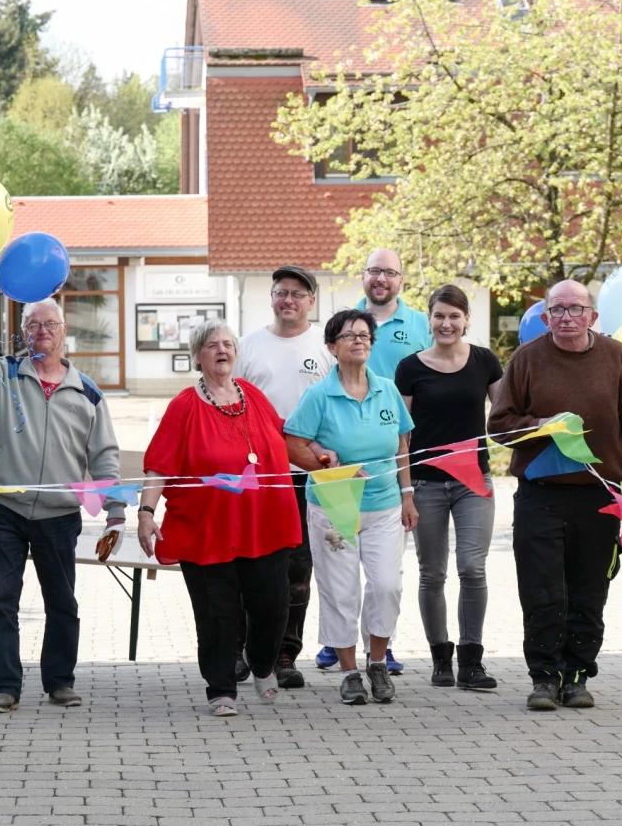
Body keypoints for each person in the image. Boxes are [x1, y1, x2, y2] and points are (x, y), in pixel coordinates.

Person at [489, 280, 622, 711]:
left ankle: (578, 676)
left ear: (592, 316)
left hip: (599, 496)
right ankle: (544, 678)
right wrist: (542, 423)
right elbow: (500, 424)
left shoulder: (616, 356)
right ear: (545, 318)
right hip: (540, 496)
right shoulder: (527, 359)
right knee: (542, 588)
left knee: (588, 589)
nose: (566, 317)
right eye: (557, 310)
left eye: (575, 309)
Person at [0, 298, 124, 714]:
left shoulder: (87, 391)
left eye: (50, 324)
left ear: (64, 330)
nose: (42, 331)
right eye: (33, 325)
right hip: (4, 508)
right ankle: (6, 687)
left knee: (62, 602)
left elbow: (104, 456)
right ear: (24, 332)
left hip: (59, 514)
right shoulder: (6, 373)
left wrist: (116, 511)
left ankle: (59, 682)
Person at [138, 319, 300, 716]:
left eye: (228, 343)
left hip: (264, 523)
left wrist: (331, 462)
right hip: (206, 527)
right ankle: (221, 687)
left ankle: (262, 663)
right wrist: (146, 512)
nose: (222, 350)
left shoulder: (254, 397)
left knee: (274, 604)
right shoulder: (184, 406)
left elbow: (287, 441)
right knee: (217, 612)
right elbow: (159, 466)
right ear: (197, 355)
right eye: (212, 345)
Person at [284, 309, 416, 705]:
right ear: (332, 347)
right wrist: (325, 461)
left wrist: (408, 495)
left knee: (386, 585)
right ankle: (349, 672)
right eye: (349, 335)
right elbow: (293, 444)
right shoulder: (318, 395)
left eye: (365, 335)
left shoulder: (388, 389)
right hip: (334, 506)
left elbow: (401, 446)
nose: (359, 340)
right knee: (341, 591)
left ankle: (377, 663)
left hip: (385, 505)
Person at [318, 248, 430, 674]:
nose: (381, 279)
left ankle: (380, 648)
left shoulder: (420, 324)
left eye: (389, 272)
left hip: (392, 452)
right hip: (339, 469)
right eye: (374, 271)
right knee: (338, 571)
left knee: (384, 576)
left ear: (401, 279)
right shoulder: (344, 321)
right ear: (363, 277)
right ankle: (337, 644)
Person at [395, 285, 504, 690]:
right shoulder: (410, 368)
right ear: (429, 318)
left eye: (454, 316)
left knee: (472, 568)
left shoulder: (484, 362)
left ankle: (471, 662)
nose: (446, 324)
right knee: (432, 573)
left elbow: (507, 416)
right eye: (439, 316)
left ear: (466, 320)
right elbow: (401, 437)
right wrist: (405, 491)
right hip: (425, 484)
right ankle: (441, 657)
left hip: (474, 481)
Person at [231, 265, 335, 690]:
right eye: (280, 292)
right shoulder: (248, 346)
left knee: (298, 568)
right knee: (247, 564)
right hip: (255, 476)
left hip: (306, 475)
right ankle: (243, 651)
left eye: (296, 293)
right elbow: (228, 404)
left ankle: (285, 653)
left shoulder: (326, 348)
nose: (287, 300)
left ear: (311, 301)